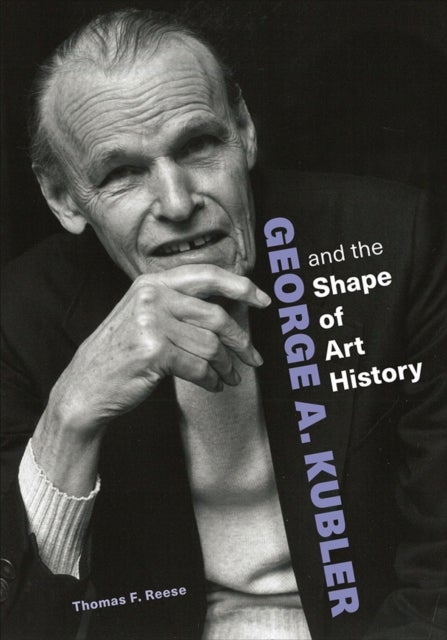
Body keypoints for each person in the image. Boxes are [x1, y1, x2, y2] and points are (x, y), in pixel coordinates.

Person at [1, 8, 446, 640]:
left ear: (245, 131)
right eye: (122, 173)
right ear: (63, 198)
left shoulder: (396, 246)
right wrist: (69, 413)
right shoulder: (21, 316)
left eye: (198, 145)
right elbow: (25, 620)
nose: (178, 203)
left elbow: (438, 575)